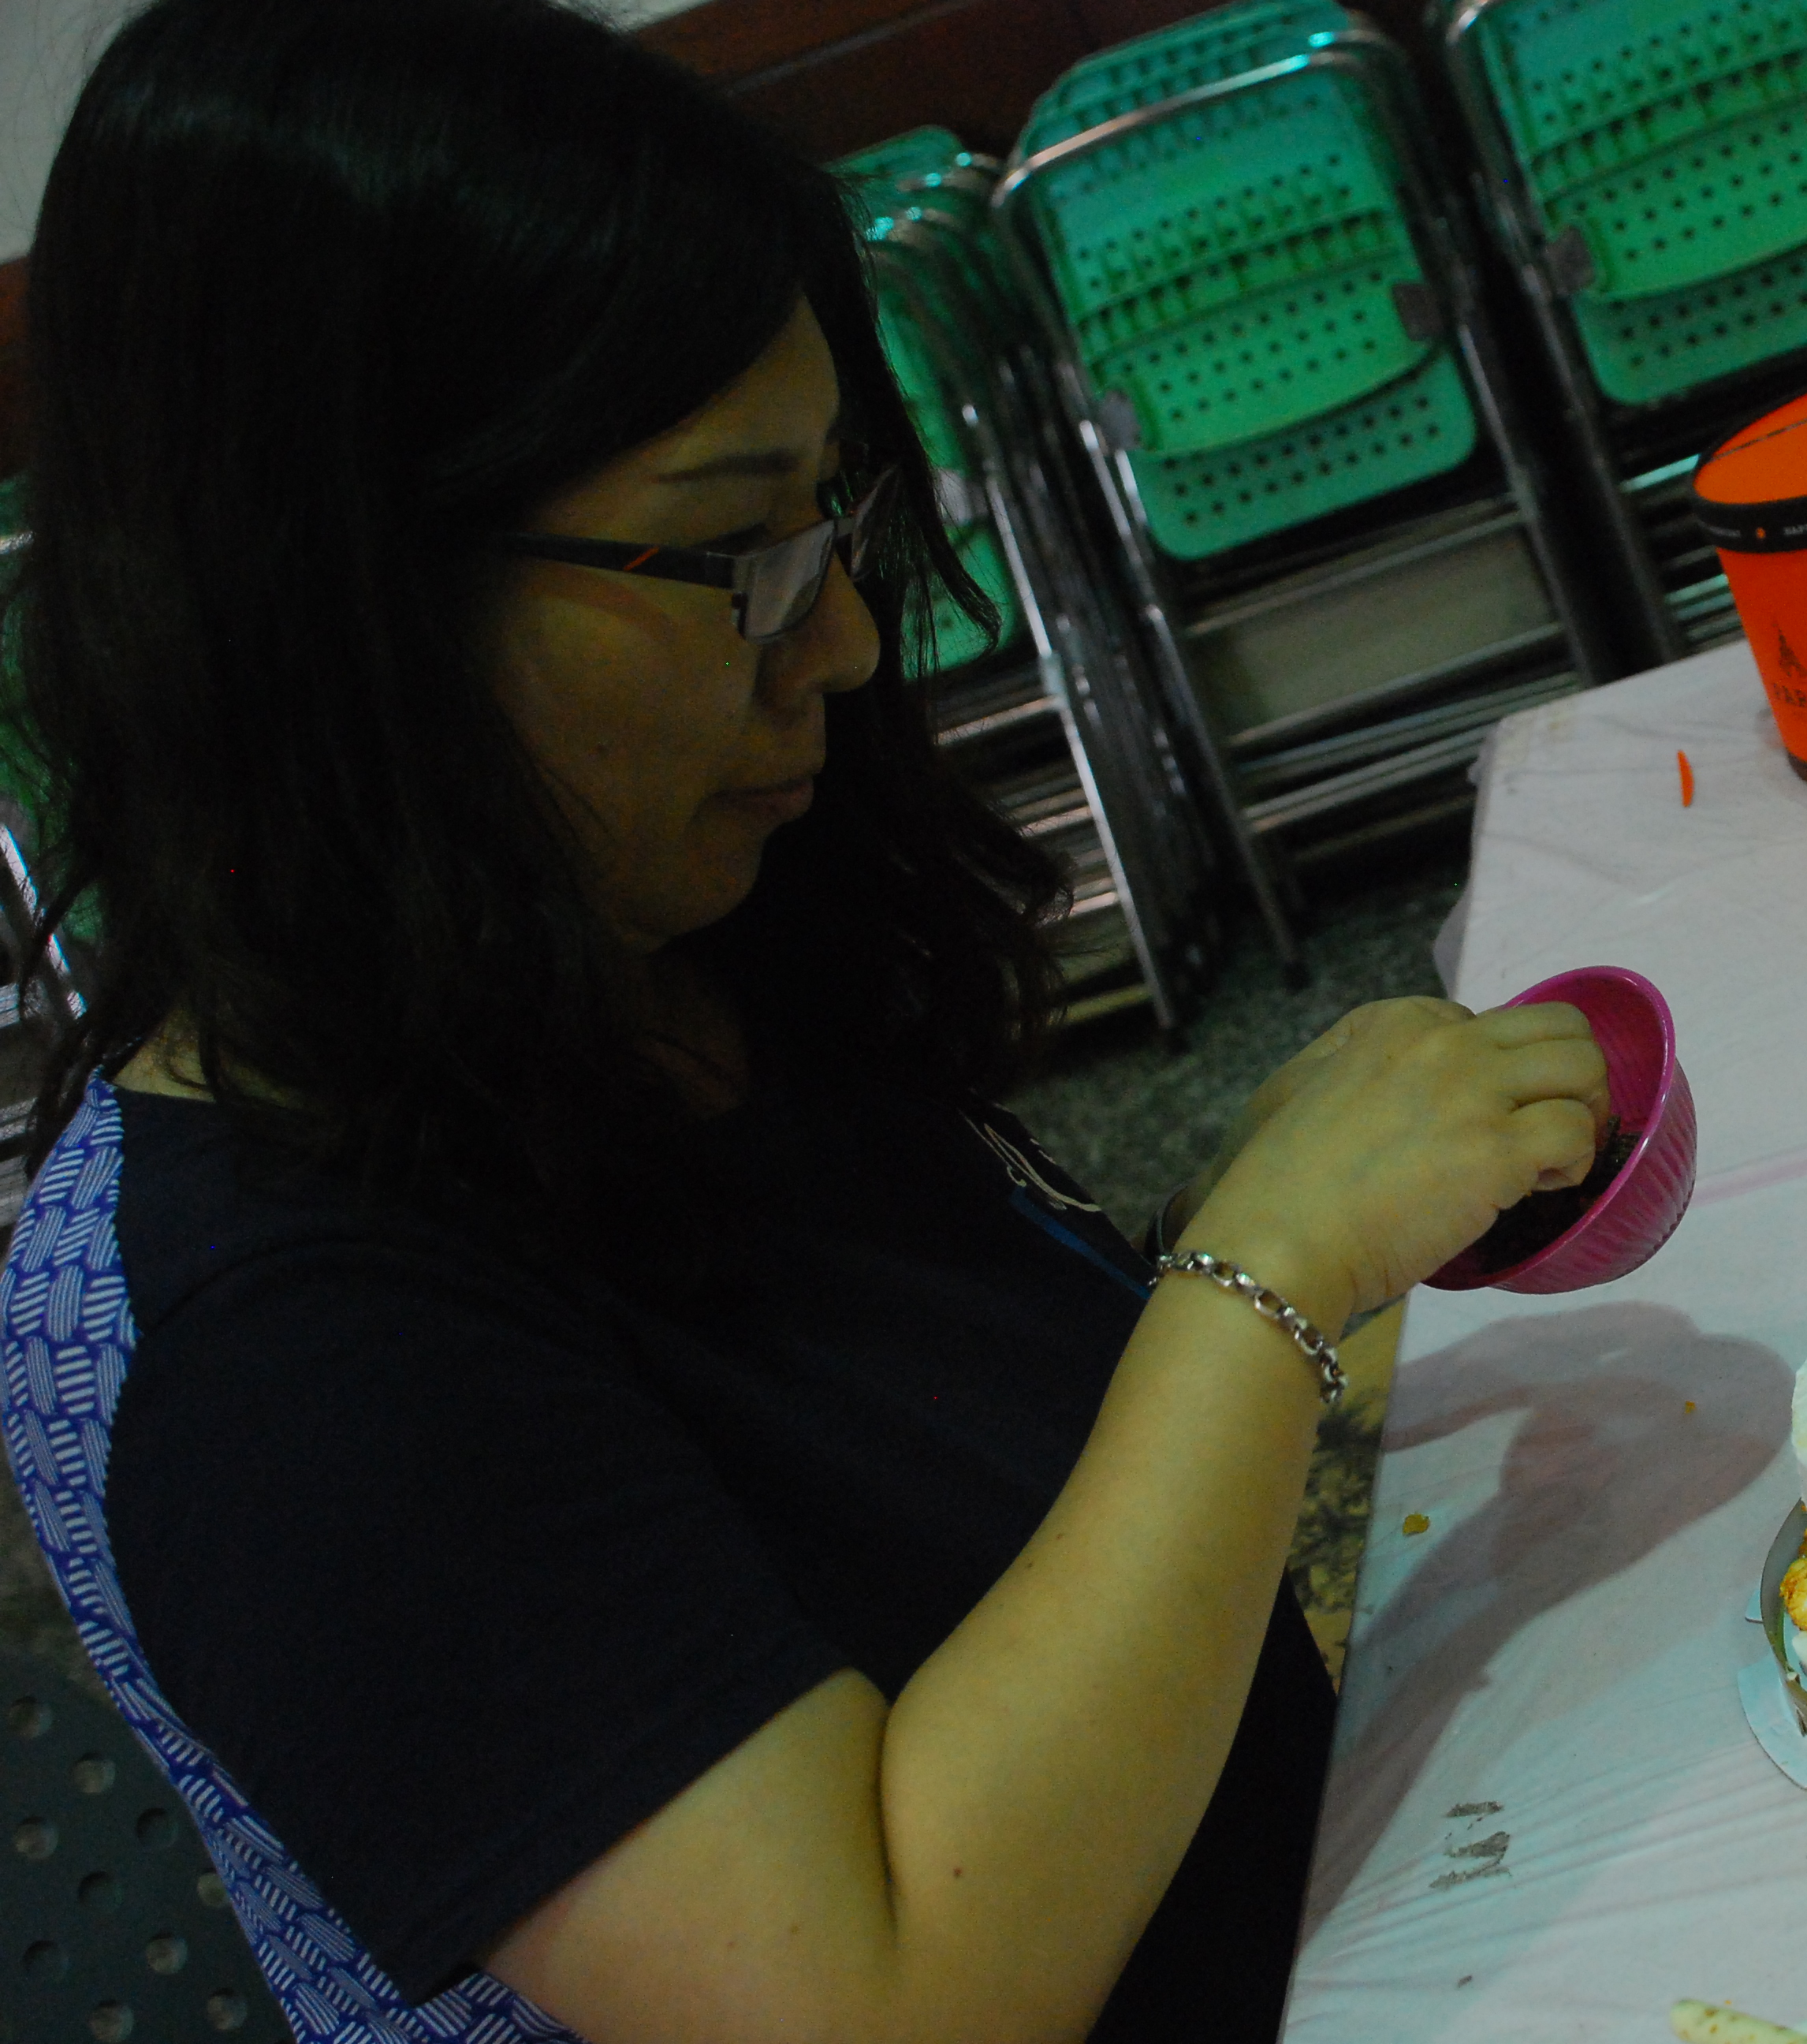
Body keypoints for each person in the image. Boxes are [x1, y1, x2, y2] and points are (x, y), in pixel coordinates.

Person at [0, 3, 1607, 2040]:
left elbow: (924, 1489)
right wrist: (1262, 1270)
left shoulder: (627, 939)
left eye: (830, 514)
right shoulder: (268, 1349)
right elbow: (875, 1995)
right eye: (732, 549)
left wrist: (1307, 1244)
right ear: (342, 593)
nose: (841, 638)